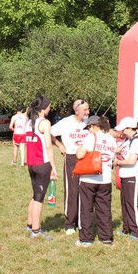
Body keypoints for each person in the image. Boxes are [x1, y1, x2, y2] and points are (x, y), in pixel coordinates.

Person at [75, 115, 117, 247]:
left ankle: (86, 239)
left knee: (86, 209)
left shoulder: (90, 137)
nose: (88, 130)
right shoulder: (111, 139)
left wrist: (79, 148)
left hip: (89, 178)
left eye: (89, 127)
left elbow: (79, 155)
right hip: (105, 179)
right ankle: (106, 237)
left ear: (94, 126)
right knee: (104, 208)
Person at [51, 99, 90, 235]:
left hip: (87, 158)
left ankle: (83, 221)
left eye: (88, 109)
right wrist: (60, 145)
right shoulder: (66, 122)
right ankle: (70, 223)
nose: (87, 112)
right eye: (85, 110)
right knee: (72, 190)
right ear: (76, 110)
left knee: (86, 190)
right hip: (72, 158)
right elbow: (49, 133)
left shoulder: (89, 122)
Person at [25, 95, 57, 240]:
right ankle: (36, 230)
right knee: (39, 198)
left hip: (31, 164)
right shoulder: (44, 123)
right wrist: (53, 166)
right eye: (49, 105)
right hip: (42, 164)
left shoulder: (28, 122)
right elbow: (48, 146)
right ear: (44, 107)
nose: (50, 108)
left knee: (35, 194)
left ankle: (30, 224)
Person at [114, 116, 138, 240]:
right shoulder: (128, 140)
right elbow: (118, 150)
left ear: (129, 128)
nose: (121, 132)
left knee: (133, 203)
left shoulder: (137, 141)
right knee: (125, 203)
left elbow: (131, 161)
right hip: (126, 176)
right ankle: (127, 228)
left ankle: (137, 231)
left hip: (135, 175)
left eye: (123, 129)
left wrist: (117, 163)